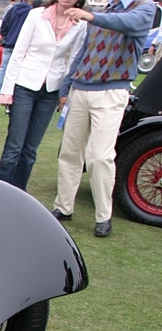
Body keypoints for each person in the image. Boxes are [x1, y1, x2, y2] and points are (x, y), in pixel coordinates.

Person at [52, 0, 154, 237]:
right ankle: (63, 206)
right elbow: (84, 53)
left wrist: (91, 17)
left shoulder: (144, 8)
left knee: (100, 156)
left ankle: (103, 216)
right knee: (70, 152)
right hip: (81, 89)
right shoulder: (103, 11)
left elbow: (128, 24)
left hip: (111, 92)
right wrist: (66, 89)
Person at [0, 0, 86, 190]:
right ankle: (1, 190)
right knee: (14, 146)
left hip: (52, 89)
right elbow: (19, 52)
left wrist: (66, 93)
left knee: (30, 150)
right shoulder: (37, 15)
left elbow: (74, 60)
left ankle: (20, 192)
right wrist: (6, 91)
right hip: (25, 85)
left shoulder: (80, 23)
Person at [0, 0, 33, 101]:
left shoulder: (12, 10)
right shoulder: (32, 13)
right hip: (21, 46)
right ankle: (10, 92)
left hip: (8, 43)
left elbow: (4, 26)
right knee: (16, 70)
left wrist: (6, 36)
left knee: (3, 69)